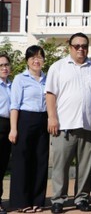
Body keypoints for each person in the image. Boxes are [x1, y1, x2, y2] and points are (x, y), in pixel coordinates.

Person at [46, 33, 91, 214]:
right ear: (69, 47)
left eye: (84, 45)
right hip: (64, 124)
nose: (81, 49)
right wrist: (52, 117)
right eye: (77, 45)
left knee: (85, 166)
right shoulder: (58, 67)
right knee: (60, 166)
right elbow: (50, 94)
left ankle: (81, 198)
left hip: (88, 124)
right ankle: (58, 199)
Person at [8, 45, 49, 213]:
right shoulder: (20, 79)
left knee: (41, 160)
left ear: (44, 60)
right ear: (27, 61)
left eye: (39, 57)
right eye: (33, 58)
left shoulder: (48, 79)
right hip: (25, 119)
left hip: (43, 120)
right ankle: (22, 201)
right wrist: (13, 129)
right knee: (22, 162)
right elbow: (14, 105)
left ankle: (38, 200)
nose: (36, 60)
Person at [0, 54, 11, 214]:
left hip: (9, 127)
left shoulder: (12, 85)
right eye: (1, 65)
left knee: (2, 166)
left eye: (6, 64)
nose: (4, 68)